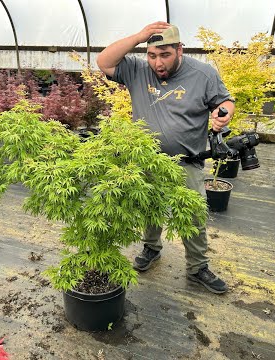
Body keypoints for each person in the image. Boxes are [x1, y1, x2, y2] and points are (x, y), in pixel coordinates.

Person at [96, 22, 235, 294]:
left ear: (179, 49)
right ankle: (151, 249)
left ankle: (198, 267)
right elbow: (103, 61)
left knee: (193, 214)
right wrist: (138, 36)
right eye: (152, 55)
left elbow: (225, 101)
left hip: (187, 161)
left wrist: (224, 112)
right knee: (150, 209)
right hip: (147, 160)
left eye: (165, 55)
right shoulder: (137, 70)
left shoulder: (203, 74)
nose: (157, 62)